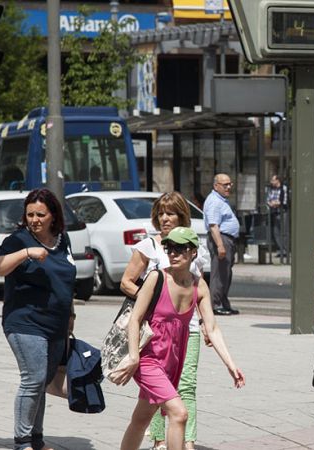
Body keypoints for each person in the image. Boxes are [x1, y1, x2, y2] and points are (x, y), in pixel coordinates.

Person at [114, 227, 245, 450]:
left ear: (193, 252)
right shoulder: (157, 278)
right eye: (169, 248)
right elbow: (135, 319)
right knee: (179, 413)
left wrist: (230, 365)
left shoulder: (198, 285)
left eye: (179, 248)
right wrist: (134, 357)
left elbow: (212, 328)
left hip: (172, 362)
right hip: (148, 359)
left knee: (142, 418)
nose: (172, 253)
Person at [120, 192, 210, 450]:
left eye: (170, 213)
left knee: (186, 386)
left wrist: (205, 322)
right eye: (160, 213)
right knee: (164, 399)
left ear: (182, 216)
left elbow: (198, 287)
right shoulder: (150, 246)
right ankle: (161, 440)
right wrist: (152, 300)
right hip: (155, 332)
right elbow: (126, 282)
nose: (165, 218)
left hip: (187, 329)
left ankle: (186, 442)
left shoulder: (193, 247)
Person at [0, 188, 77, 450]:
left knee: (41, 382)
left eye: (40, 214)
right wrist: (27, 252)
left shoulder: (63, 240)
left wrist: (71, 314)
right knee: (34, 379)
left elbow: (66, 280)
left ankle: (36, 440)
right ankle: (23, 442)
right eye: (30, 215)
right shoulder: (18, 240)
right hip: (25, 322)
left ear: (53, 216)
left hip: (56, 325)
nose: (34, 220)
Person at [203, 173, 240, 316]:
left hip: (227, 239)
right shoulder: (214, 201)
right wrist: (220, 246)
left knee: (226, 273)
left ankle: (223, 303)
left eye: (230, 184)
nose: (229, 187)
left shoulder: (221, 200)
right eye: (225, 185)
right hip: (221, 239)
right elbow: (213, 226)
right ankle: (215, 304)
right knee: (219, 273)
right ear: (216, 186)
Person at [266, 175, 289, 258]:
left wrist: (276, 203)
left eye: (273, 180)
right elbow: (268, 199)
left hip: (283, 212)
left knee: (284, 232)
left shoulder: (284, 189)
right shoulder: (271, 189)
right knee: (276, 232)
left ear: (277, 180)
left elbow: (284, 201)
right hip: (274, 212)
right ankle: (280, 249)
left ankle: (285, 250)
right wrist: (270, 203)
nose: (271, 182)